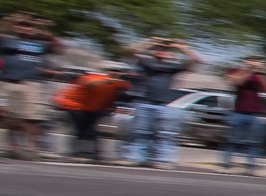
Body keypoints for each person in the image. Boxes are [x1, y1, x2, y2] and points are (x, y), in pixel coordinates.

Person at [0, 13, 63, 160]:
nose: (25, 28)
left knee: (31, 118)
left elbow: (58, 46)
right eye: (21, 25)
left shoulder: (40, 44)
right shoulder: (6, 40)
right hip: (7, 82)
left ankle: (31, 148)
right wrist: (8, 19)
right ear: (14, 26)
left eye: (28, 25)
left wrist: (44, 27)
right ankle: (12, 148)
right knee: (9, 118)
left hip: (31, 83)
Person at [122, 36, 198, 167]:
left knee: (163, 134)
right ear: (153, 51)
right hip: (144, 101)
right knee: (139, 131)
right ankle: (132, 157)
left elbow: (197, 61)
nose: (162, 51)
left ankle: (161, 160)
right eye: (159, 49)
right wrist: (149, 42)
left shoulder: (174, 66)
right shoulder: (147, 62)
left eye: (165, 50)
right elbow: (128, 51)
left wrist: (182, 47)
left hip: (163, 104)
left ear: (171, 53)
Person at [53, 64, 131, 162]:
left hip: (91, 108)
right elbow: (88, 83)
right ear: (106, 70)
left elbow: (126, 87)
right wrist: (106, 81)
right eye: (112, 70)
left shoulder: (118, 83)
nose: (115, 72)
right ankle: (84, 153)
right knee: (85, 130)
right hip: (74, 105)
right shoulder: (94, 76)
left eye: (118, 71)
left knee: (88, 130)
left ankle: (85, 153)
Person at [221, 58, 266, 174]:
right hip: (238, 111)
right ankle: (227, 165)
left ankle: (252, 167)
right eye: (251, 60)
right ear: (245, 61)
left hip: (255, 112)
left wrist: (263, 71)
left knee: (253, 142)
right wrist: (249, 69)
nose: (254, 62)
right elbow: (238, 81)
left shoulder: (258, 74)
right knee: (233, 140)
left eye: (256, 60)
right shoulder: (236, 71)